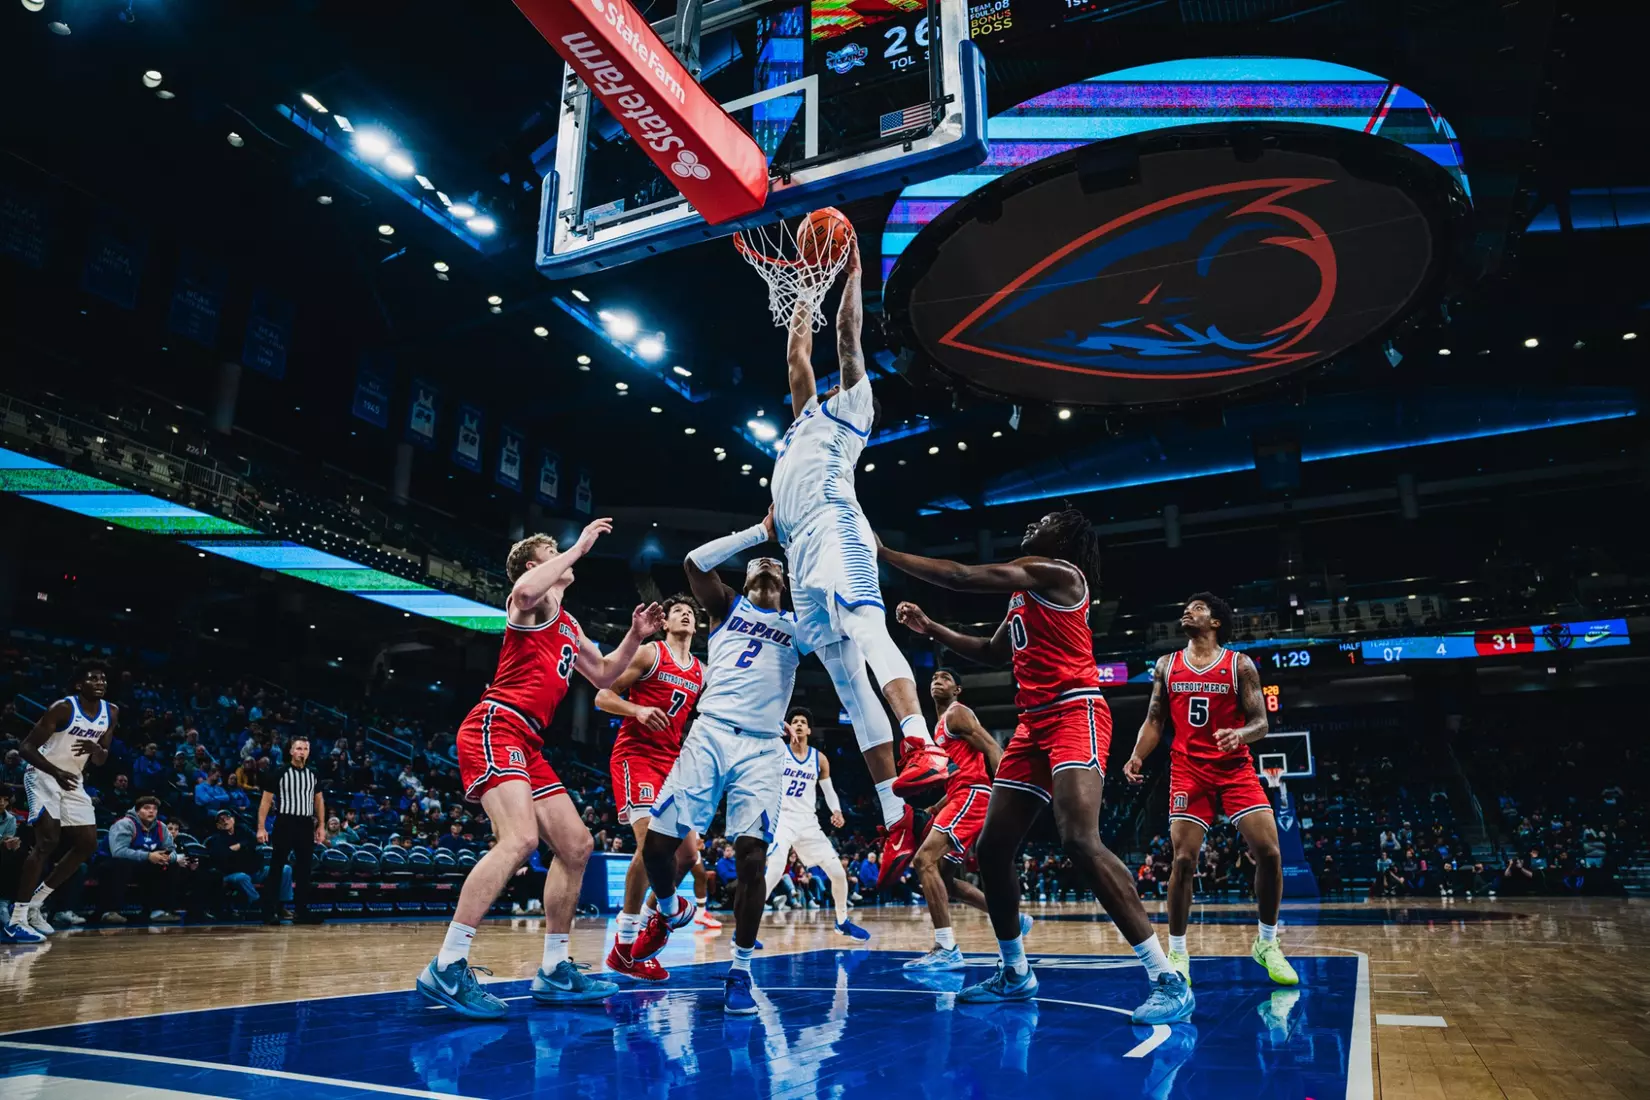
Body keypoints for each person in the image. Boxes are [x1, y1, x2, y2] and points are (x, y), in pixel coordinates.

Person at [882, 509, 1193, 1025]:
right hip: (1032, 724)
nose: (1032, 525)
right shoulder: (1025, 592)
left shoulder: (1060, 574)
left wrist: (884, 555)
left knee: (1078, 839)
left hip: (1076, 711)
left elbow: (962, 576)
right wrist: (932, 627)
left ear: (1066, 537)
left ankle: (1166, 977)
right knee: (992, 847)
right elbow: (990, 650)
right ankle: (1015, 972)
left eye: (1046, 521)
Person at [416, 519, 664, 1018]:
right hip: (497, 724)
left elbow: (605, 673)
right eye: (553, 553)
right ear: (538, 563)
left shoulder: (568, 623)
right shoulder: (532, 600)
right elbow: (525, 589)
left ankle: (553, 969)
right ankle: (447, 964)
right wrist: (579, 547)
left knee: (576, 846)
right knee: (520, 840)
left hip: (528, 741)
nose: (567, 559)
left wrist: (635, 636)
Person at [770, 230, 947, 889]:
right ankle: (897, 813)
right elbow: (796, 354)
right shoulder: (800, 424)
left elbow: (846, 337)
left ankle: (920, 740)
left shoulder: (853, 412)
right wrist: (799, 290)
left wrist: (848, 268)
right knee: (845, 680)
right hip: (801, 554)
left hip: (839, 527)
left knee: (868, 628)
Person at [631, 512, 804, 1015]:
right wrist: (760, 533)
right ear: (743, 580)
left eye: (775, 566)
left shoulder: (798, 626)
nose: (766, 567)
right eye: (757, 565)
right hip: (708, 736)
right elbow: (693, 562)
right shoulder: (727, 606)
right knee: (658, 849)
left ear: (785, 584)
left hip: (762, 750)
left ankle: (740, 970)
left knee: (752, 860)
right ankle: (667, 909)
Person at [1123, 592, 1298, 988]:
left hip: (1234, 769)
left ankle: (1267, 944)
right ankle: (1179, 951)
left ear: (1216, 621)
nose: (1188, 610)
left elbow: (1261, 724)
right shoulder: (1167, 665)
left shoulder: (1240, 665)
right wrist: (1137, 755)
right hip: (1188, 769)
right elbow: (1154, 720)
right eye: (1186, 606)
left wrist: (1240, 734)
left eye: (1198, 607)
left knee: (1269, 852)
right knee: (1183, 860)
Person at [597, 593, 718, 983]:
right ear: (665, 623)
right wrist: (637, 710)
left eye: (690, 612)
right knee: (651, 844)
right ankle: (638, 933)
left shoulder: (702, 671)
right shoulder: (651, 654)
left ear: (696, 626)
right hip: (637, 757)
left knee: (687, 854)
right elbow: (603, 695)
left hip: (674, 765)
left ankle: (644, 933)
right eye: (677, 611)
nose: (685, 614)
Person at [903, 669, 1014, 970]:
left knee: (922, 861)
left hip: (973, 795)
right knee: (944, 877)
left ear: (958, 690)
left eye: (945, 678)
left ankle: (946, 948)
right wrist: (934, 808)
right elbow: (957, 776)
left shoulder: (957, 714)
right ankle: (1009, 917)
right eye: (934, 677)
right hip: (959, 795)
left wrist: (1008, 796)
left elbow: (992, 747)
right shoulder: (937, 728)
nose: (937, 680)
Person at [5, 660, 117, 942]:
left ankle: (35, 905)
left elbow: (102, 760)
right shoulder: (63, 708)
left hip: (73, 779)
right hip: (42, 773)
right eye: (93, 678)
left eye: (103, 679)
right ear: (79, 684)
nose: (100, 682)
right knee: (47, 841)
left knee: (87, 844)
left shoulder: (111, 712)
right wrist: (54, 771)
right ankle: (15, 920)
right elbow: (26, 747)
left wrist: (95, 749)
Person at [763, 707, 868, 940]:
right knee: (775, 869)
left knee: (838, 874)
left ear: (809, 729)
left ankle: (842, 922)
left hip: (808, 822)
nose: (798, 724)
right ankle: (746, 930)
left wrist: (837, 811)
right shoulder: (778, 752)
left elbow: (828, 790)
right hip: (783, 819)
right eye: (794, 721)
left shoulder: (819, 758)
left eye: (802, 722)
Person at [255, 736, 325, 925]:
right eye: (298, 748)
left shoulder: (313, 773)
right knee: (277, 868)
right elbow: (266, 801)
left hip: (305, 823)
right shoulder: (279, 772)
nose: (302, 751)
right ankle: (269, 912)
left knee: (304, 870)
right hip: (285, 822)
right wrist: (261, 828)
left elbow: (318, 800)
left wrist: (321, 826)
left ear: (309, 752)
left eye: (305, 748)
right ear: (291, 751)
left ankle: (302, 912)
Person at [99, 795, 196, 923]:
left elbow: (172, 850)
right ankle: (109, 912)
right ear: (137, 810)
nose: (151, 811)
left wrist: (167, 857)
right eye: (147, 808)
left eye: (154, 809)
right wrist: (149, 856)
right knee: (121, 864)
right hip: (110, 864)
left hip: (141, 865)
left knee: (170, 865)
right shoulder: (125, 824)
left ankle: (158, 911)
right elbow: (118, 852)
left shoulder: (161, 827)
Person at [207, 808, 262, 908]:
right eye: (221, 820)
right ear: (218, 826)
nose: (225, 821)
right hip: (231, 874)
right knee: (242, 877)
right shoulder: (216, 839)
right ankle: (259, 904)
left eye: (227, 818)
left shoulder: (243, 830)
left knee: (284, 870)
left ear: (233, 820)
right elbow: (223, 856)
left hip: (253, 871)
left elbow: (256, 840)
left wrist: (240, 845)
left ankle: (281, 906)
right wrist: (245, 847)